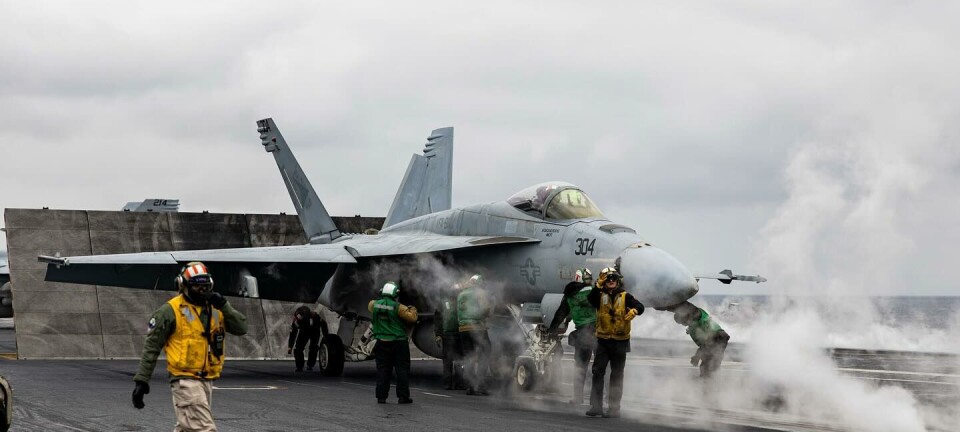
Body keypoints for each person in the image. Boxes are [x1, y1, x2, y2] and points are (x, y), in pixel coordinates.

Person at [132, 262, 248, 431]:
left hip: (207, 380)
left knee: (187, 428)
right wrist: (141, 380)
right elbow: (152, 346)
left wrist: (224, 305)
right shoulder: (170, 311)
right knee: (204, 428)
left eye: (206, 286)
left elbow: (241, 328)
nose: (202, 290)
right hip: (185, 380)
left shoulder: (217, 308)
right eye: (196, 286)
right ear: (183, 285)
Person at [586, 267, 643, 418]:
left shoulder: (625, 296)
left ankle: (614, 409)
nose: (611, 281)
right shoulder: (599, 296)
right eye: (608, 279)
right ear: (604, 281)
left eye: (614, 279)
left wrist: (634, 311)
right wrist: (597, 286)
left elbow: (640, 306)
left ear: (618, 282)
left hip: (620, 342)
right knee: (597, 372)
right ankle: (596, 407)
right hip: (603, 341)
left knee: (617, 375)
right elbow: (590, 299)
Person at [547, 268, 597, 405]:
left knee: (580, 367)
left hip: (582, 334)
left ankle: (578, 397)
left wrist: (552, 330)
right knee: (600, 368)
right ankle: (598, 398)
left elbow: (560, 314)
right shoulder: (595, 291)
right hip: (598, 333)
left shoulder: (570, 295)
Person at [368, 281, 418, 404]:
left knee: (383, 370)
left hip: (381, 342)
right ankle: (403, 397)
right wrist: (413, 308)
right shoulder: (399, 307)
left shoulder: (373, 304)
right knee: (402, 370)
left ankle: (381, 397)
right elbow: (413, 318)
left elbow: (370, 307)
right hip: (398, 342)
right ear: (395, 294)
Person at [457, 274, 493, 396]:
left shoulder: (461, 294)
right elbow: (485, 309)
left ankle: (470, 386)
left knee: (468, 356)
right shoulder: (480, 293)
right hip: (477, 327)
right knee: (486, 351)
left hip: (463, 328)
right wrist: (486, 316)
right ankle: (481, 385)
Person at [674, 302, 730, 378]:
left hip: (718, 337)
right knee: (711, 363)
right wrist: (697, 356)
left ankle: (708, 381)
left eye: (683, 320)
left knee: (708, 364)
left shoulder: (698, 316)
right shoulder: (693, 329)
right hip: (719, 338)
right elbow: (704, 345)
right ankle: (711, 381)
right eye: (681, 322)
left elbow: (706, 343)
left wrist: (697, 357)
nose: (683, 323)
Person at [434, 283, 465, 390]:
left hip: (458, 334)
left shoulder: (461, 302)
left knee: (458, 360)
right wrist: (438, 334)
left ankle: (458, 383)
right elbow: (438, 320)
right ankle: (449, 383)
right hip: (449, 334)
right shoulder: (443, 303)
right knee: (450, 360)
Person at [287, 305, 325, 372]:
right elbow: (293, 333)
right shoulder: (296, 320)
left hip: (314, 331)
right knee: (298, 348)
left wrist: (326, 336)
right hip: (303, 331)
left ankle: (310, 364)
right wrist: (290, 346)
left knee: (313, 347)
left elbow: (324, 325)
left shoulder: (315, 317)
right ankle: (299, 366)